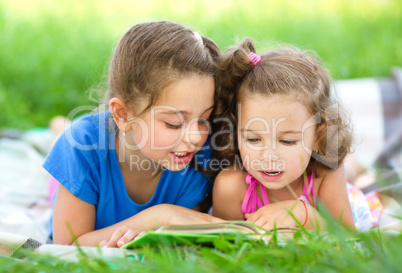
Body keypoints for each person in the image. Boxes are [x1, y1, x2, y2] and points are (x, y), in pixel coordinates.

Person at [43, 21, 224, 247]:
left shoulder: (197, 161)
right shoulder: (81, 147)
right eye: (174, 123)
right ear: (123, 114)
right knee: (60, 150)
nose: (196, 137)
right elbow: (67, 247)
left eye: (204, 119)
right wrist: (159, 217)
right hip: (75, 171)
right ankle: (59, 127)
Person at [211, 38, 356, 230]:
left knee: (352, 172)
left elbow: (349, 239)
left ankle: (357, 167)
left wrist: (305, 214)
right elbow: (222, 246)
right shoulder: (231, 187)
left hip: (342, 191)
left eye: (287, 141)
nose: (269, 156)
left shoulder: (325, 174)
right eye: (253, 139)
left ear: (318, 137)